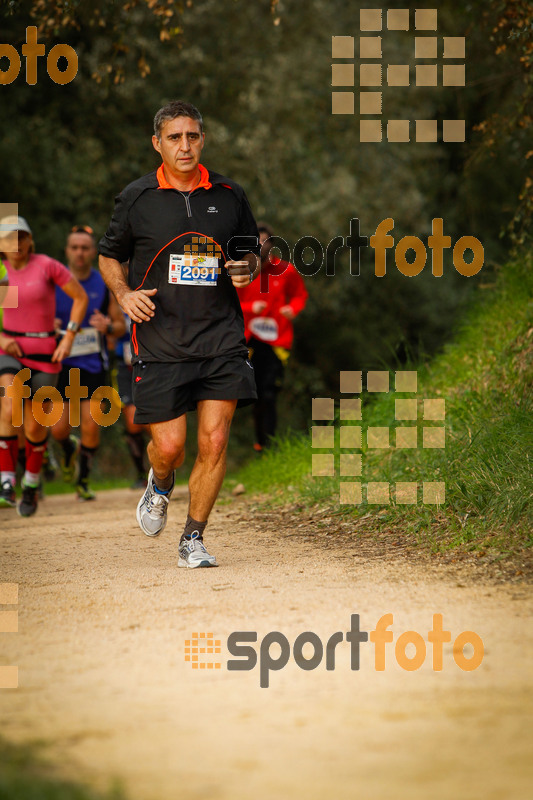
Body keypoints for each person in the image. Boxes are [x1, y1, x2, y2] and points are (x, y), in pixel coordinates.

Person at [98, 100, 260, 568]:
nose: (184, 145)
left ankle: (193, 537)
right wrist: (125, 294)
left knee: (214, 442)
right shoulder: (137, 197)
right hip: (160, 339)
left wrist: (249, 267)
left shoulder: (230, 195)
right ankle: (161, 481)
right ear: (158, 143)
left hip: (221, 339)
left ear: (202, 140)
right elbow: (111, 256)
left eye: (192, 136)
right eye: (174, 137)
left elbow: (250, 252)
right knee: (169, 447)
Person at [0, 216, 87, 516]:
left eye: (21, 237)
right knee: (10, 406)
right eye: (9, 238)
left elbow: (80, 297)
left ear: (30, 239)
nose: (16, 244)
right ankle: (7, 481)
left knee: (35, 424)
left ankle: (32, 484)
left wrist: (69, 337)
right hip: (10, 350)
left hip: (45, 353)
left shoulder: (46, 266)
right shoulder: (2, 272)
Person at [51, 226, 126, 500]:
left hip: (94, 364)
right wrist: (50, 325)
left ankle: (83, 481)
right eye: (75, 248)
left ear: (93, 252)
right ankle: (68, 450)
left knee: (91, 427)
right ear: (67, 252)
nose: (80, 253)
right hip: (60, 363)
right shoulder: (54, 281)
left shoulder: (103, 283)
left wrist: (108, 325)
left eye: (85, 248)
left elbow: (120, 326)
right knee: (58, 428)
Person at [237, 223, 308, 450]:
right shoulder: (241, 270)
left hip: (276, 341)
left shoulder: (286, 270)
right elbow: (230, 304)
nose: (260, 245)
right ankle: (257, 442)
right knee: (252, 394)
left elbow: (299, 296)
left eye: (264, 241)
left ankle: (267, 446)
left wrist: (293, 309)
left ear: (271, 244)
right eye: (255, 241)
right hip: (247, 340)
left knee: (269, 393)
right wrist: (249, 307)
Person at [112, 311, 150, 489]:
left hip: (151, 363)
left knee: (153, 423)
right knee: (132, 421)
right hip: (125, 366)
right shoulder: (114, 294)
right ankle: (141, 473)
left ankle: (161, 467)